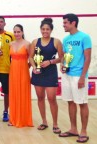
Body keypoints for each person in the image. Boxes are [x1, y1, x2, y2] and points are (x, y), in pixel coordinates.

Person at [58, 13, 92, 143]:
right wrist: (62, 65)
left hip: (79, 75)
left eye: (65, 23)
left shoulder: (85, 37)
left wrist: (83, 76)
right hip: (67, 75)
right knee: (70, 101)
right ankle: (73, 129)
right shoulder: (66, 39)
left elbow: (88, 58)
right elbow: (65, 55)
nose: (63, 25)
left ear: (73, 23)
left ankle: (83, 131)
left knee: (82, 103)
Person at [29, 18, 63, 134]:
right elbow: (30, 57)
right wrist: (34, 67)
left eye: (47, 29)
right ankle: (44, 121)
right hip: (38, 73)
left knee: (52, 99)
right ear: (40, 29)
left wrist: (50, 62)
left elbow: (61, 57)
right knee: (40, 98)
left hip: (51, 73)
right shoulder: (35, 42)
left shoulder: (56, 41)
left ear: (51, 30)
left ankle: (55, 124)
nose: (45, 31)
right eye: (43, 29)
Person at [8, 24, 33, 128]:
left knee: (23, 93)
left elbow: (32, 58)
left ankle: (24, 119)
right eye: (15, 32)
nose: (16, 34)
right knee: (13, 93)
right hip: (13, 71)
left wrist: (25, 67)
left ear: (22, 32)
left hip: (23, 71)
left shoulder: (28, 44)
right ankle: (13, 118)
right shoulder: (11, 44)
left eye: (18, 32)